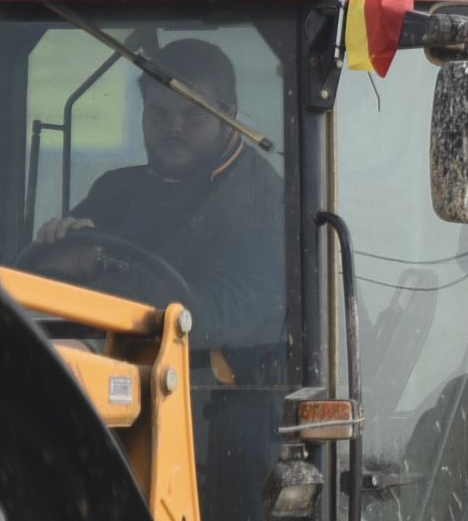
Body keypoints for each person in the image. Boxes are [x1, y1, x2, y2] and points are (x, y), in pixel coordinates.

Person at [26, 38, 283, 344]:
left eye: (192, 115)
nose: (174, 128)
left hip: (214, 383)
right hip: (98, 365)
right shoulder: (114, 190)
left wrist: (99, 267)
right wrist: (53, 260)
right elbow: (51, 279)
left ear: (228, 116)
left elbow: (220, 313)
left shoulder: (259, 198)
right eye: (159, 114)